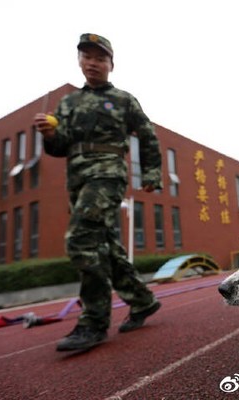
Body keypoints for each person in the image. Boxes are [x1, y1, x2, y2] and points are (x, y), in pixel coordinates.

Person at [34, 33, 163, 352]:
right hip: (77, 178)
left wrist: (151, 172)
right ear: (79, 61)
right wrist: (50, 134)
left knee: (80, 239)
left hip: (107, 172)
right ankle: (142, 299)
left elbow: (147, 135)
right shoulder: (68, 102)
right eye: (87, 56)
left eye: (100, 58)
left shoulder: (123, 99)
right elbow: (59, 146)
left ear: (111, 65)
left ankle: (93, 321)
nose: (93, 63)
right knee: (102, 244)